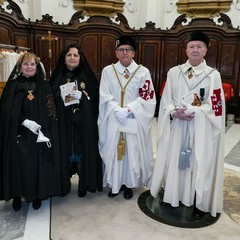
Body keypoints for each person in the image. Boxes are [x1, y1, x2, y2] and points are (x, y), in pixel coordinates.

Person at [150, 31, 225, 218]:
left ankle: (198, 201)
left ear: (206, 51)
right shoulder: (174, 73)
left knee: (199, 163)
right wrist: (173, 112)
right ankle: (172, 195)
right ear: (186, 50)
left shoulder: (212, 76)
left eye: (199, 46)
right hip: (177, 125)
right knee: (174, 160)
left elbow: (216, 107)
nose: (195, 50)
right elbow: (166, 100)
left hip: (200, 129)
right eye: (192, 46)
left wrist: (196, 112)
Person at [0, 52, 70, 211]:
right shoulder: (13, 86)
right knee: (19, 165)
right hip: (19, 133)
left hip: (40, 133)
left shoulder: (44, 86)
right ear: (20, 67)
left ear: (37, 68)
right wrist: (24, 121)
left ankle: (38, 194)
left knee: (38, 166)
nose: (29, 67)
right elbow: (7, 111)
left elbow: (52, 110)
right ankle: (17, 196)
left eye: (32, 64)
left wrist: (47, 128)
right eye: (26, 64)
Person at [98, 35, 156, 199]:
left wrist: (129, 109)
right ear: (116, 53)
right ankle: (114, 183)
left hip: (133, 119)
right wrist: (116, 109)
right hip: (114, 117)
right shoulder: (108, 71)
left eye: (128, 50)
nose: (125, 52)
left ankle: (129, 184)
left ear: (134, 53)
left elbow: (147, 97)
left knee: (132, 152)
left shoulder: (143, 72)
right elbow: (104, 94)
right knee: (113, 150)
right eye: (121, 50)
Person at [49, 44, 102, 197]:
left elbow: (95, 99)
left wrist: (83, 97)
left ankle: (83, 184)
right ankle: (63, 184)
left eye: (75, 55)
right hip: (62, 123)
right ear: (64, 58)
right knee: (63, 151)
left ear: (80, 58)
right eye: (69, 55)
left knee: (82, 151)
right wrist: (61, 97)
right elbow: (49, 100)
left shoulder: (87, 77)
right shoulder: (57, 76)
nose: (72, 57)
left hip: (83, 123)